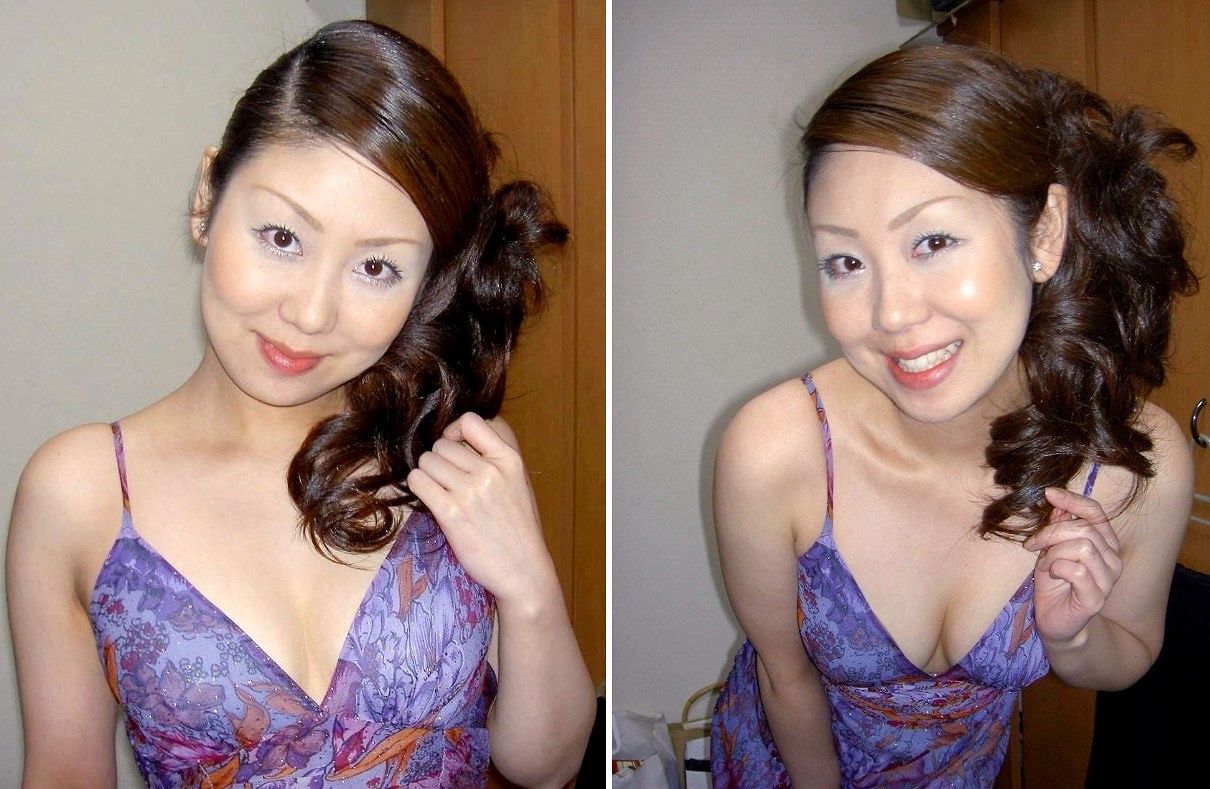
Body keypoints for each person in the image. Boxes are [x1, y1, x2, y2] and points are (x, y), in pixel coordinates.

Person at [6, 20, 594, 788]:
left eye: (376, 267)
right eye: (282, 236)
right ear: (207, 196)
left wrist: (530, 588)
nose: (311, 313)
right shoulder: (83, 492)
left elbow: (546, 766)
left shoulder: (452, 453)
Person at [710, 44, 1197, 787]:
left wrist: (1072, 637)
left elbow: (1128, 653)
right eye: (846, 262)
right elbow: (785, 676)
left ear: (1043, 233)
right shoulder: (776, 451)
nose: (891, 314)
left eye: (932, 242)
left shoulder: (1133, 461)